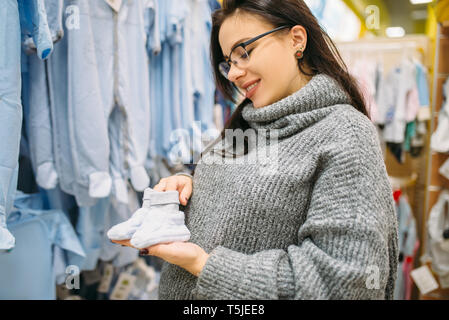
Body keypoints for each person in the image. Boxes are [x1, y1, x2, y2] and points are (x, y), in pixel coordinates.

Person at [115, 0, 399, 299]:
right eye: (229, 61)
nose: (233, 74)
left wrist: (204, 265)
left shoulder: (344, 133)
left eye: (243, 52)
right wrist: (191, 189)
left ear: (296, 39)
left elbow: (343, 283)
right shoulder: (248, 123)